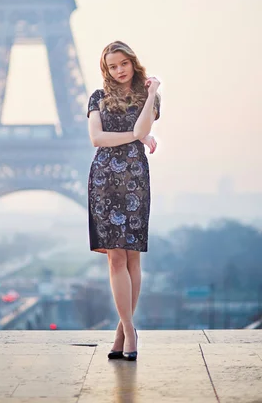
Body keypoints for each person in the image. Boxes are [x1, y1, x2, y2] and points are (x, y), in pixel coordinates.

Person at [87, 40, 161, 361]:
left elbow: (144, 125)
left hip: (134, 179)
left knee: (133, 259)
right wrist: (136, 136)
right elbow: (96, 139)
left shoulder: (149, 95)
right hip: (105, 179)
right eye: (112, 66)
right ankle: (131, 331)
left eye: (123, 64)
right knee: (116, 258)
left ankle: (122, 330)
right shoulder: (98, 97)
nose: (118, 71)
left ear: (133, 62)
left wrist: (153, 90)